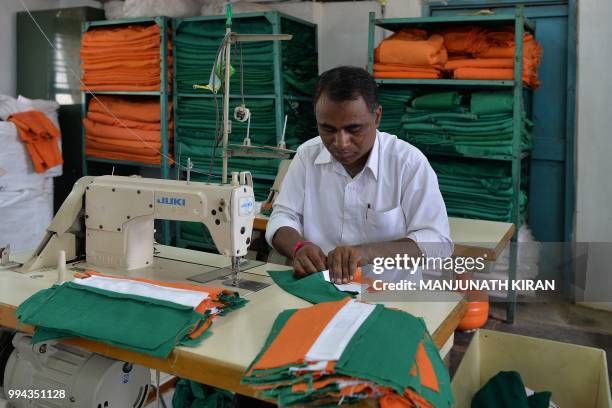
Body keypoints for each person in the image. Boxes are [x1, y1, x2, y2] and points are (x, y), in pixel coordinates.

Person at [265, 66, 452, 284]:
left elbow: (438, 242)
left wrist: (367, 253)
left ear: (378, 117)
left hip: (390, 294)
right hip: (319, 288)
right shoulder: (307, 156)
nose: (340, 143)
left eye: (354, 129)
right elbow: (282, 217)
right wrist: (299, 247)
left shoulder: (408, 163)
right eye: (328, 129)